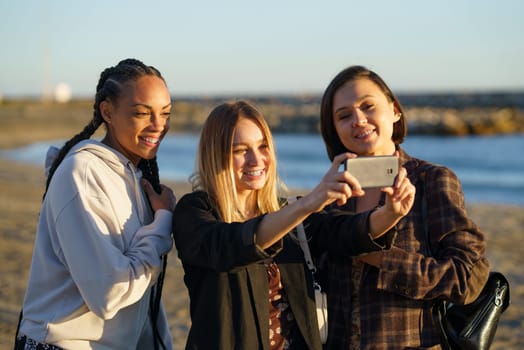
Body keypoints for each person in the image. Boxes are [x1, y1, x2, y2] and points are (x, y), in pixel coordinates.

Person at [172, 100, 416, 349]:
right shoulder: (194, 212)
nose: (256, 160)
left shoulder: (289, 212)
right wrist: (308, 203)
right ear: (215, 154)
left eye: (263, 146)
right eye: (240, 150)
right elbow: (229, 244)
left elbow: (344, 233)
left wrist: (390, 213)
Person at [318, 65, 490, 349]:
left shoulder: (430, 180)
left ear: (395, 110)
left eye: (368, 106)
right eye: (344, 116)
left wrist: (380, 258)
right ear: (334, 129)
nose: (358, 120)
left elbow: (467, 278)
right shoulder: (333, 192)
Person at [15, 58, 176, 349]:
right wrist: (163, 221)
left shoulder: (136, 180)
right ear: (107, 112)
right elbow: (110, 293)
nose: (158, 125)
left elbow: (142, 297)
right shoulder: (83, 173)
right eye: (142, 113)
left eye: (165, 113)